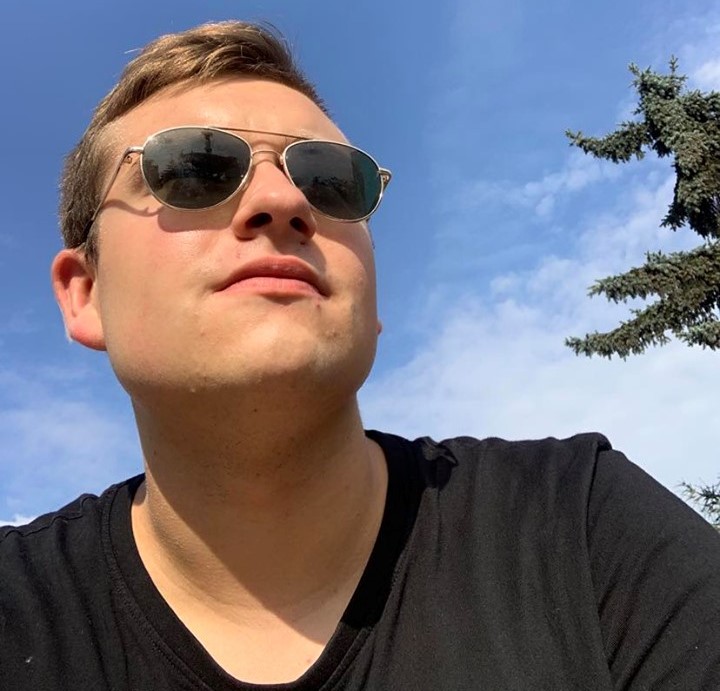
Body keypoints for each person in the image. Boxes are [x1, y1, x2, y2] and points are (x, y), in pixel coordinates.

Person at [1, 20, 719, 691]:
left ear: (371, 306)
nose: (283, 200)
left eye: (331, 182)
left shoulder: (583, 530)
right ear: (85, 293)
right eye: (195, 168)